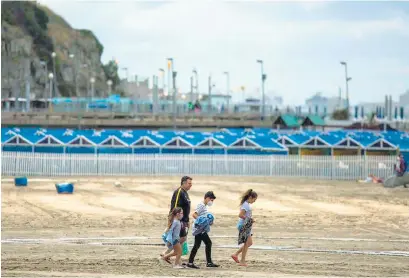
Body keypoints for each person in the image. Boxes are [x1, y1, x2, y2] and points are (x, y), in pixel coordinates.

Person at [187, 191, 219, 269]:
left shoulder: (204, 206)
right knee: (207, 243)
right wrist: (202, 221)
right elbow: (194, 214)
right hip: (199, 229)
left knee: (198, 245)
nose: (211, 202)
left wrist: (208, 221)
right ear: (207, 198)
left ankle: (191, 262)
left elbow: (203, 216)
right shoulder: (201, 205)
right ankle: (208, 262)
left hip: (201, 229)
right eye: (211, 200)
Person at [231, 189, 258, 267]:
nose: (254, 201)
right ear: (250, 197)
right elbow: (240, 215)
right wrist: (250, 219)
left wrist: (249, 219)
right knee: (247, 243)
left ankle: (235, 254)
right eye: (254, 199)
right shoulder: (246, 205)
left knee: (249, 243)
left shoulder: (246, 204)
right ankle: (242, 261)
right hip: (244, 225)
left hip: (246, 225)